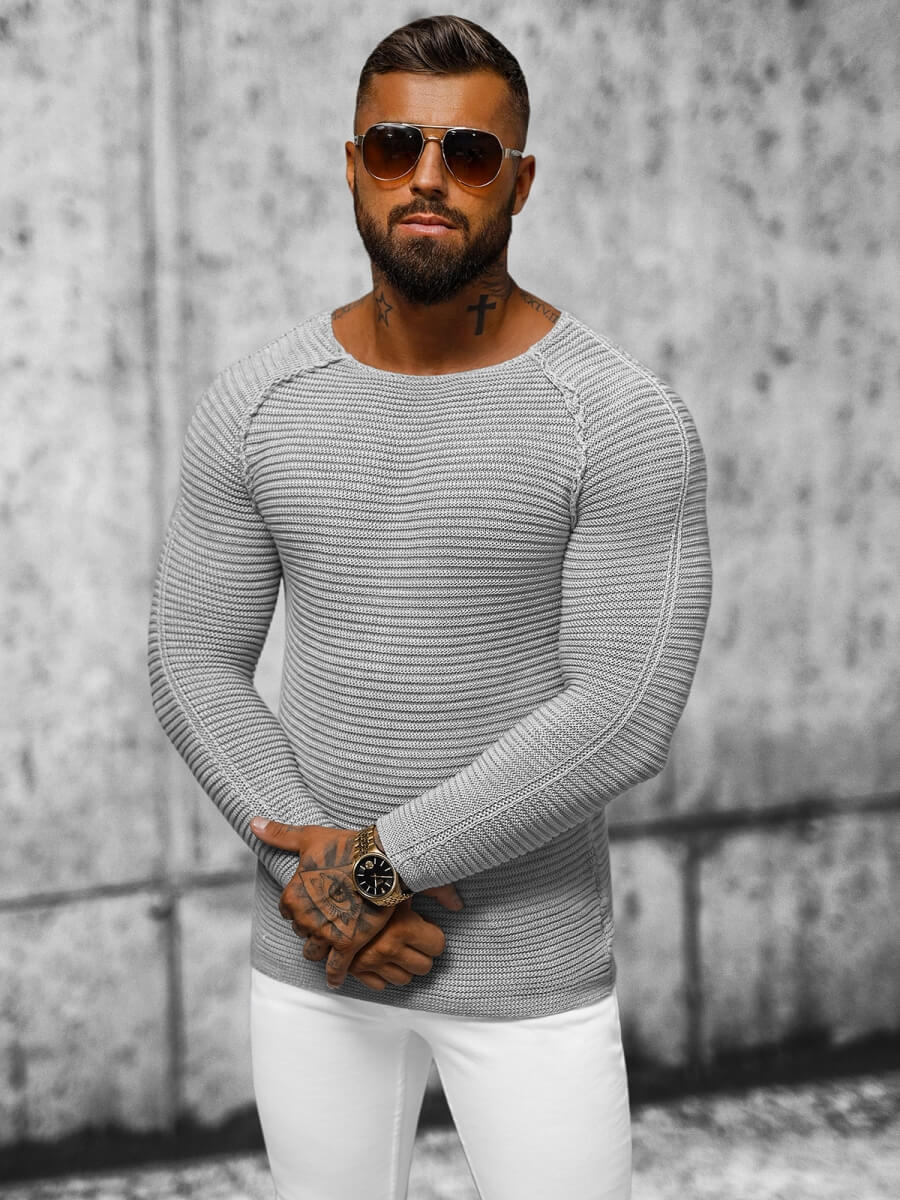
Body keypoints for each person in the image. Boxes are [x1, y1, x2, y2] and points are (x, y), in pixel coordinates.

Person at [147, 14, 712, 1200]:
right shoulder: (258, 403)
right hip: (316, 959)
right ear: (353, 163)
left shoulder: (618, 418)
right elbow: (193, 658)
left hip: (525, 968)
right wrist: (311, 879)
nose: (428, 177)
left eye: (471, 153)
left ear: (521, 181)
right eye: (396, 145)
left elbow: (623, 713)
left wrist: (370, 874)